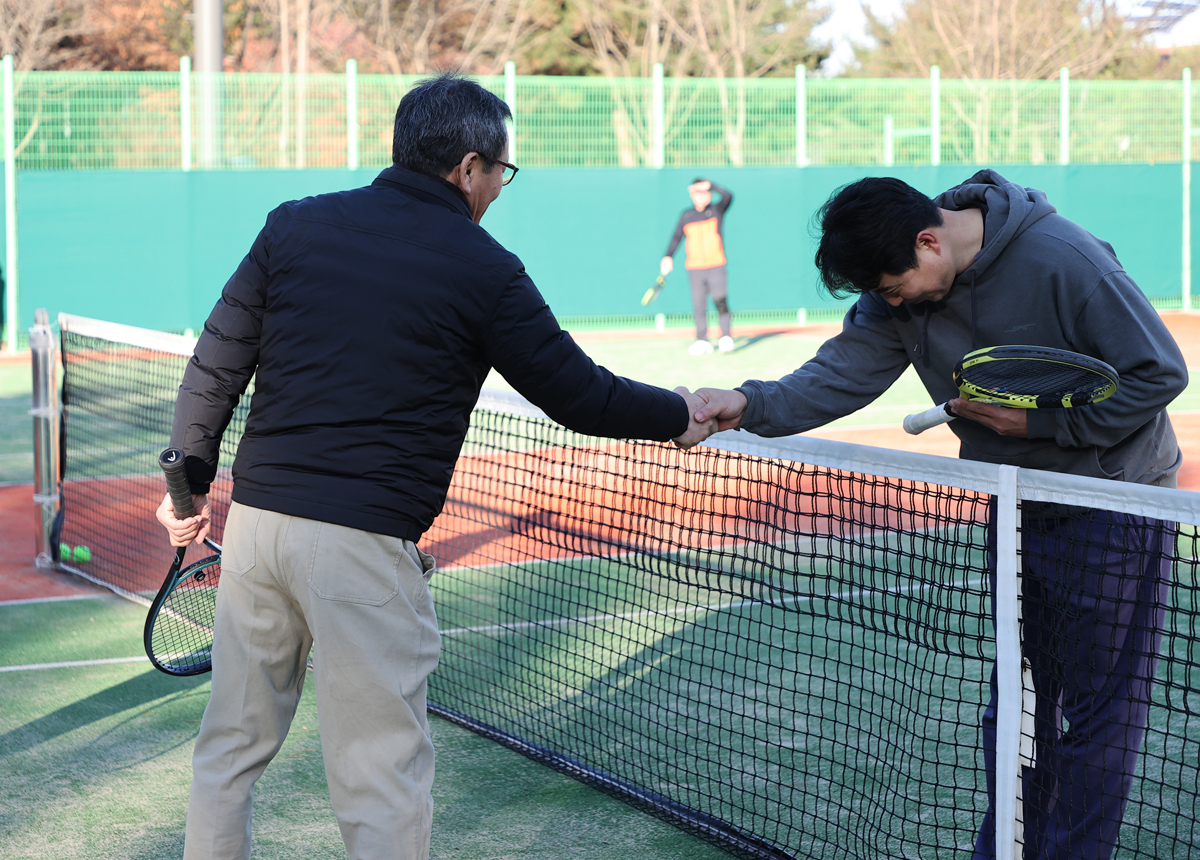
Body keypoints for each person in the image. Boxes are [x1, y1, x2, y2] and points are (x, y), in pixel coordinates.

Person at [155, 73, 713, 860]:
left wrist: (188, 485)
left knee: (229, 747)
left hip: (257, 534)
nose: (497, 191)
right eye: (500, 174)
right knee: (378, 772)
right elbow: (579, 395)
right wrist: (680, 414)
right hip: (363, 544)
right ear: (468, 167)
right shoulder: (487, 268)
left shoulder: (292, 227)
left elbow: (215, 365)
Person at [684, 171, 1187, 860]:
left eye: (894, 289)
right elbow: (844, 371)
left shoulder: (1066, 260)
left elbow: (1159, 373)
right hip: (1013, 504)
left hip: (1112, 499)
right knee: (1017, 703)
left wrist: (1041, 428)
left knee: (1099, 712)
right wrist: (747, 403)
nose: (892, 304)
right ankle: (1007, 848)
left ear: (929, 241)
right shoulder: (901, 284)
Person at [661, 178, 735, 355]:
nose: (701, 196)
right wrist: (668, 257)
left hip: (716, 265)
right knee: (698, 305)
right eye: (697, 192)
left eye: (704, 192)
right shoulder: (686, 215)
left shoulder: (717, 210)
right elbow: (676, 237)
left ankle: (725, 337)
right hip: (694, 268)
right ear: (692, 195)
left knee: (720, 301)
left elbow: (728, 195)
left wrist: (710, 185)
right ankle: (702, 340)